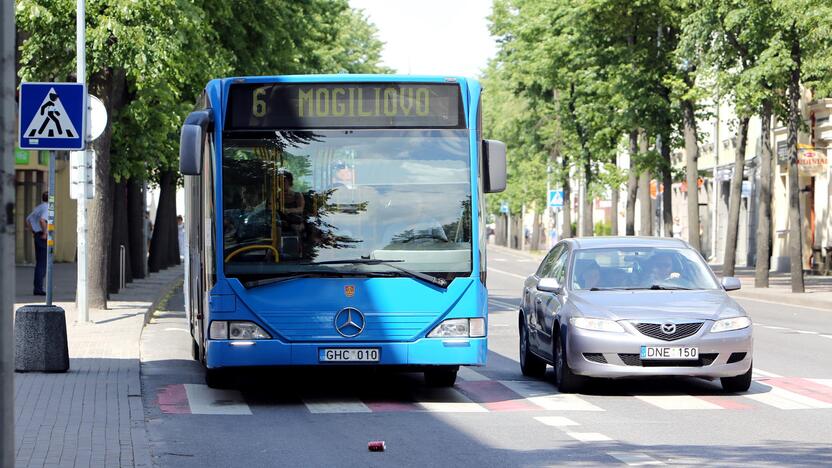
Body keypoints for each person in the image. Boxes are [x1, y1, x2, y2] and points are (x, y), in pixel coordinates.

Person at [26, 192, 49, 295]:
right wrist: (44, 233)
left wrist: (34, 231)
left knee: (39, 262)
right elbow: (42, 220)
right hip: (42, 236)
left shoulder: (39, 207)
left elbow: (28, 220)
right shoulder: (47, 208)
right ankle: (39, 289)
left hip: (37, 235)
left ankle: (37, 288)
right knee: (42, 263)